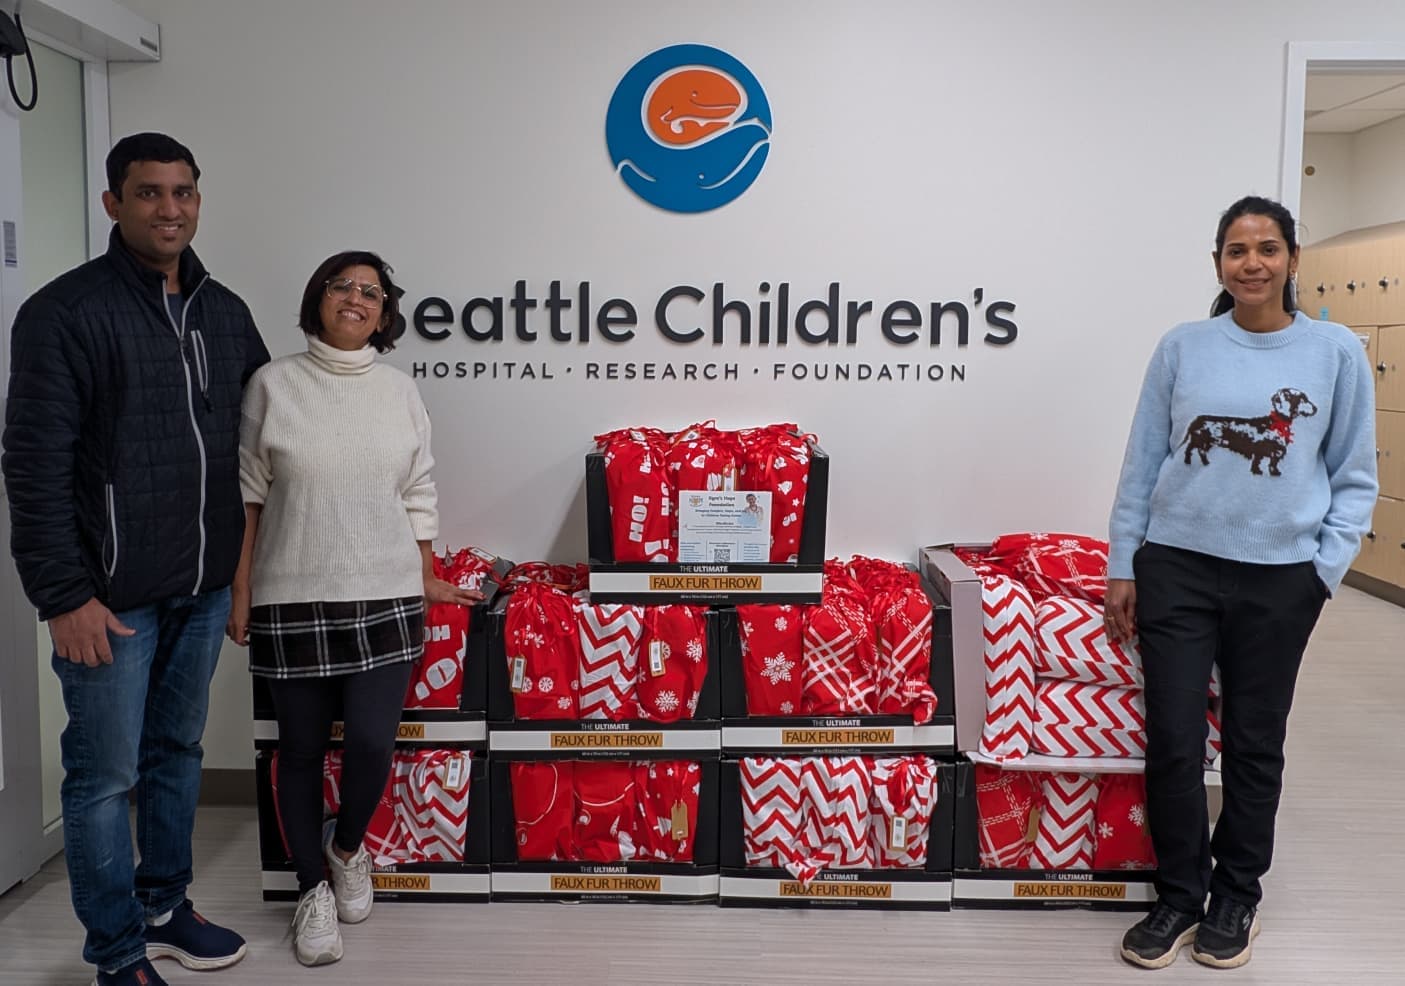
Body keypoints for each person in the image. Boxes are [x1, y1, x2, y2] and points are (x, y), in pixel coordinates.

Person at [1, 132, 269, 986]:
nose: (169, 208)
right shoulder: (65, 312)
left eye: (182, 192)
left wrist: (241, 575)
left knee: (175, 755)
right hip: (109, 602)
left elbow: (254, 454)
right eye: (149, 192)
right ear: (113, 203)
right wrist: (62, 595)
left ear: (199, 201)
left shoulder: (226, 313)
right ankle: (116, 953)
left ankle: (164, 906)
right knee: (103, 776)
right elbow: (33, 466)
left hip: (200, 590)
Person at [1106, 195, 1377, 970]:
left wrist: (1320, 573)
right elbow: (1142, 460)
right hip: (1176, 567)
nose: (1251, 263)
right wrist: (1123, 561)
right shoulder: (1182, 346)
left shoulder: (1333, 352)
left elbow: (1353, 473)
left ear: (1292, 258)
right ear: (1217, 263)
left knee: (1255, 743)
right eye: (1235, 250)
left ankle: (1235, 895)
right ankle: (1177, 896)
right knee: (1172, 740)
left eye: (1266, 248)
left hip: (1279, 579)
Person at [226, 251, 479, 967]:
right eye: (343, 285)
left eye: (372, 292)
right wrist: (241, 590)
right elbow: (247, 495)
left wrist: (426, 575)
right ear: (319, 297)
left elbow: (418, 490)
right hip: (291, 595)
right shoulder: (272, 384)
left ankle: (345, 849)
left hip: (385, 594)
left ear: (384, 314)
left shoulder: (399, 391)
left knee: (371, 742)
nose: (356, 298)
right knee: (301, 749)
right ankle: (311, 890)